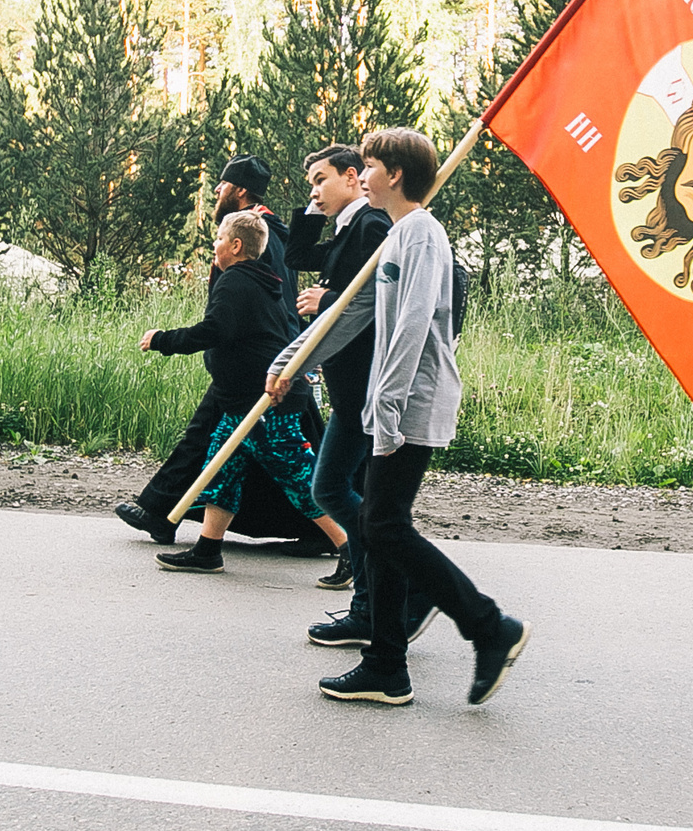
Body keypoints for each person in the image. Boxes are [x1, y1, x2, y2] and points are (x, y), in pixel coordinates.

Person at [283, 127, 527, 708]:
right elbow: (353, 316)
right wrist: (291, 362)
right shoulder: (396, 235)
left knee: (385, 526)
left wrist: (386, 415)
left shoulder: (421, 235)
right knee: (380, 526)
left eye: (367, 165)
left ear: (393, 175)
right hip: (387, 406)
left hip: (411, 404)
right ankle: (387, 664)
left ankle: (488, 627)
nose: (360, 174)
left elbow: (412, 330)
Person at [113, 153, 325, 547]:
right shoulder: (268, 232)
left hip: (258, 366)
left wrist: (166, 339)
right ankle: (172, 519)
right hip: (258, 361)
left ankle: (332, 535)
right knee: (225, 450)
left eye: (223, 185)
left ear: (240, 191)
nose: (216, 190)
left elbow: (265, 307)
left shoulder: (260, 236)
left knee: (280, 460)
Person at [272, 144, 435, 647]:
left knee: (351, 500)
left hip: (367, 382)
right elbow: (298, 255)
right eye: (310, 184)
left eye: (322, 179)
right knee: (355, 502)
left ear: (352, 177)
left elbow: (370, 303)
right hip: (349, 384)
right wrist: (311, 209)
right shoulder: (348, 227)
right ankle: (382, 598)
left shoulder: (372, 226)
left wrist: (327, 299)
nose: (315, 190)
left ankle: (394, 596)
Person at [140, 209, 349, 574]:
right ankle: (207, 550)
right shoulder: (259, 279)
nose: (215, 245)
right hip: (241, 401)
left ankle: (352, 549)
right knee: (221, 471)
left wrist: (163, 340)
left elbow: (215, 330)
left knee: (296, 476)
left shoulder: (235, 280)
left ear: (236, 245)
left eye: (219, 239)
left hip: (266, 402)